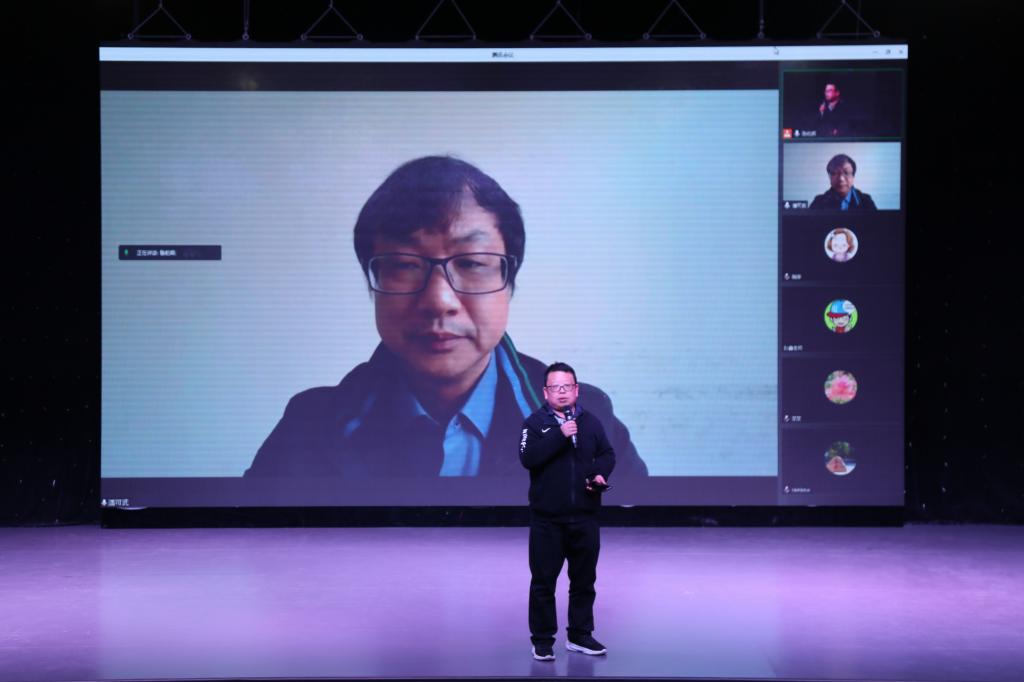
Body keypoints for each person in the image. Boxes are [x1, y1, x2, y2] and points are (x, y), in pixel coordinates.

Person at [245, 156, 647, 480]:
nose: (439, 301)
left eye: (471, 263)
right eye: (404, 265)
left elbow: (634, 544)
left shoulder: (585, 417)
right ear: (373, 284)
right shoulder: (309, 428)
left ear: (509, 281)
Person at [519, 362, 613, 661]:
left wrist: (599, 474)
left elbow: (607, 453)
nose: (562, 392)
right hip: (547, 520)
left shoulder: (591, 422)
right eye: (555, 387)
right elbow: (528, 458)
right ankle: (542, 640)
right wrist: (560, 434)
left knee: (584, 581)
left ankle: (580, 635)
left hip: (585, 516)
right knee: (543, 582)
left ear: (576, 389)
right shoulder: (534, 424)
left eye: (567, 386)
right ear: (545, 392)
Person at [810, 154, 877, 211]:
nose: (841, 179)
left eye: (846, 173)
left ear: (853, 177)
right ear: (830, 177)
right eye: (834, 173)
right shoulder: (819, 202)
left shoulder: (866, 201)